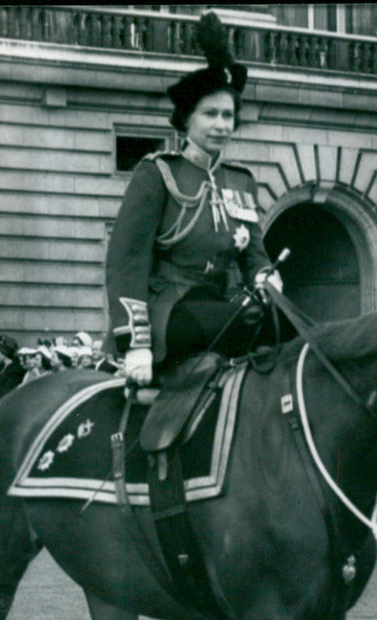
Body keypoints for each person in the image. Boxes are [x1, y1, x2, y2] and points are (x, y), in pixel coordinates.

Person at [105, 11, 282, 387]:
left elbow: (254, 256)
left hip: (223, 304)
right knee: (226, 322)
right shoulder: (157, 173)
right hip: (170, 312)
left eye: (229, 116)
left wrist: (267, 279)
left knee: (290, 325)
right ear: (187, 120)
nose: (221, 125)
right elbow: (126, 263)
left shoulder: (241, 181)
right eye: (211, 114)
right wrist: (135, 343)